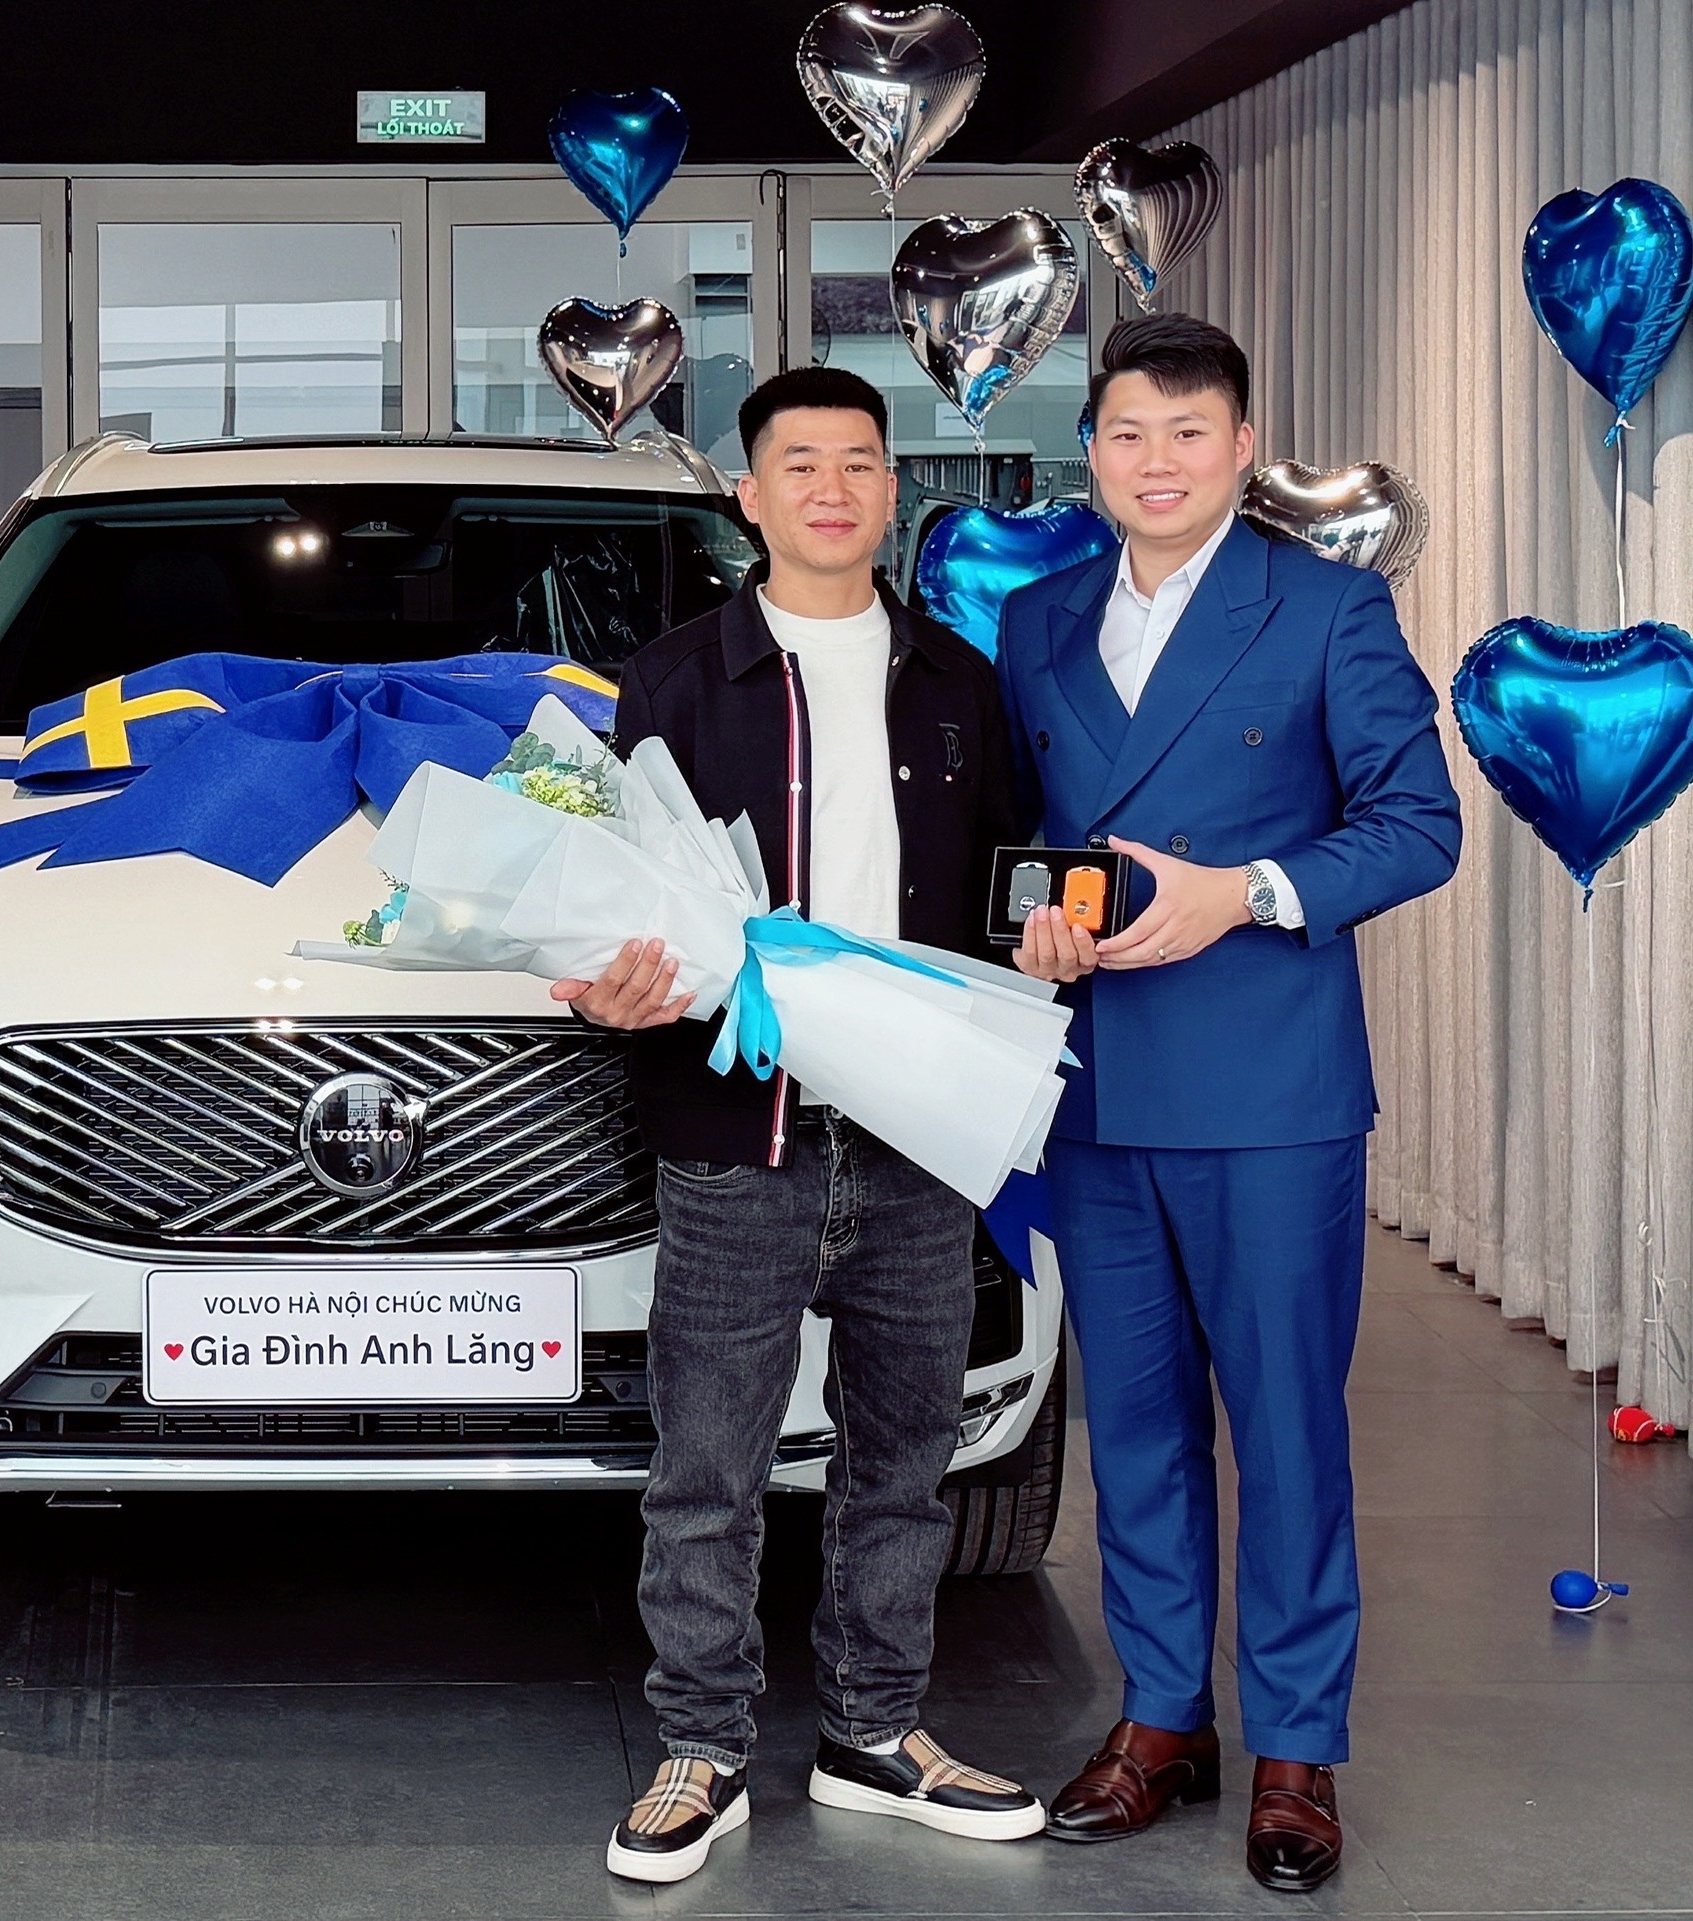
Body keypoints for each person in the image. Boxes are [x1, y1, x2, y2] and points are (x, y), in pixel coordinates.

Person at [556, 365, 1043, 1886]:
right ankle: (699, 1751)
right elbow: (615, 899)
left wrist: (1050, 938)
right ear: (750, 495)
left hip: (915, 1133)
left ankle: (874, 1733)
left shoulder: (959, 681)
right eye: (800, 464)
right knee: (707, 1465)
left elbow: (1006, 883)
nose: (832, 488)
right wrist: (605, 990)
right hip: (735, 1136)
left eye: (860, 462)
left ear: (894, 490)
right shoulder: (673, 680)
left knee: (903, 1460)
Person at [995, 315, 1461, 1894]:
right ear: (1091, 451)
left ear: (1242, 449)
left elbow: (1419, 824)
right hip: (1097, 1087)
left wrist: (1245, 891)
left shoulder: (1327, 606)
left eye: (1190, 433)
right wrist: (1031, 924)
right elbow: (1027, 837)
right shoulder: (1039, 619)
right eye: (1128, 433)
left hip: (1270, 1091)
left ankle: (1299, 1748)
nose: (1158, 462)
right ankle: (1162, 1719)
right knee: (1132, 1428)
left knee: (1286, 1428)